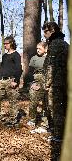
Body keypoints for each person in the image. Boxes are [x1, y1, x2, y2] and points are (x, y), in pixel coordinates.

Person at [42, 22, 69, 159]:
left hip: (56, 83)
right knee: (62, 109)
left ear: (52, 31)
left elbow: (51, 67)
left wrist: (47, 84)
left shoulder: (55, 44)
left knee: (56, 109)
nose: (44, 34)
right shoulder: (65, 44)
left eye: (45, 31)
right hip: (64, 82)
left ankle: (58, 136)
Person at [0, 36, 22, 125]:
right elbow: (1, 68)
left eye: (6, 43)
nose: (5, 45)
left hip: (11, 80)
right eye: (4, 44)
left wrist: (16, 81)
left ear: (11, 43)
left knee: (13, 100)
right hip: (2, 81)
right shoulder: (5, 56)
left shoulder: (16, 55)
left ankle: (13, 120)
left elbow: (19, 69)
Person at [27, 42, 48, 130]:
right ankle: (32, 119)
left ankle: (45, 123)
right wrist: (32, 83)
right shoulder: (34, 58)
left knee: (45, 103)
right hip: (35, 81)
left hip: (46, 81)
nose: (38, 50)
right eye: (37, 48)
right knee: (33, 101)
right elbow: (29, 73)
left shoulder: (50, 59)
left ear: (45, 49)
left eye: (40, 48)